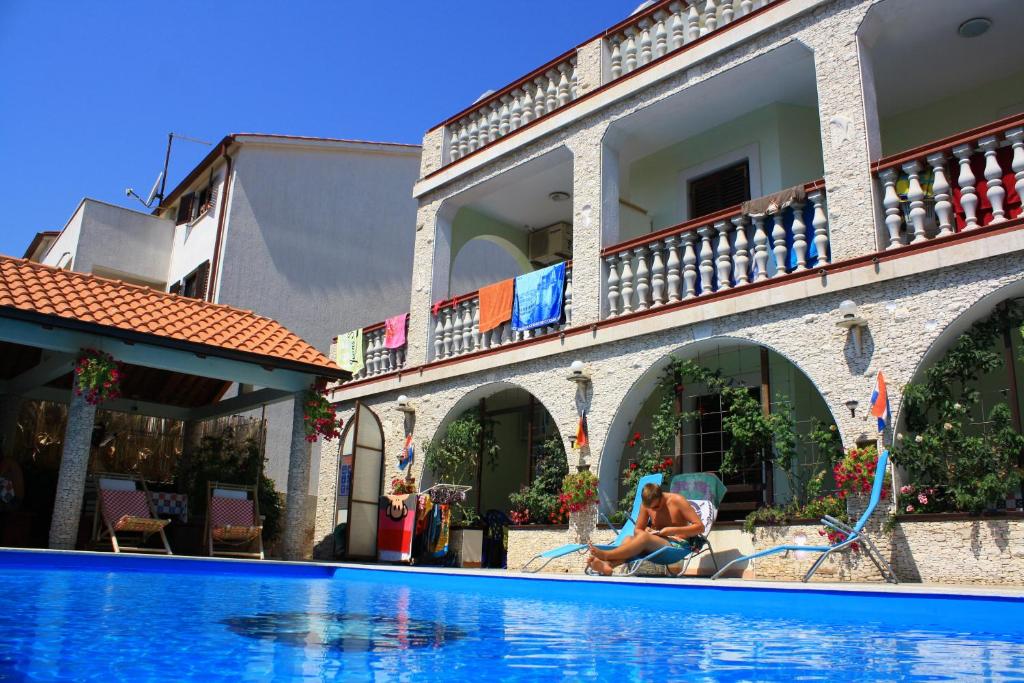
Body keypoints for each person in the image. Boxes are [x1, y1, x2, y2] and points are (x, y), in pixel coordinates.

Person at [587, 482, 703, 576]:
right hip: (657, 543)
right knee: (628, 539)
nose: (655, 510)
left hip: (677, 545)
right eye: (651, 508)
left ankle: (606, 556)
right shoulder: (645, 505)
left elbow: (700, 527)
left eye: (657, 506)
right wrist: (648, 531)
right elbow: (637, 530)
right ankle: (608, 565)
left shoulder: (677, 501)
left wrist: (672, 530)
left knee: (643, 537)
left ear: (662, 496)